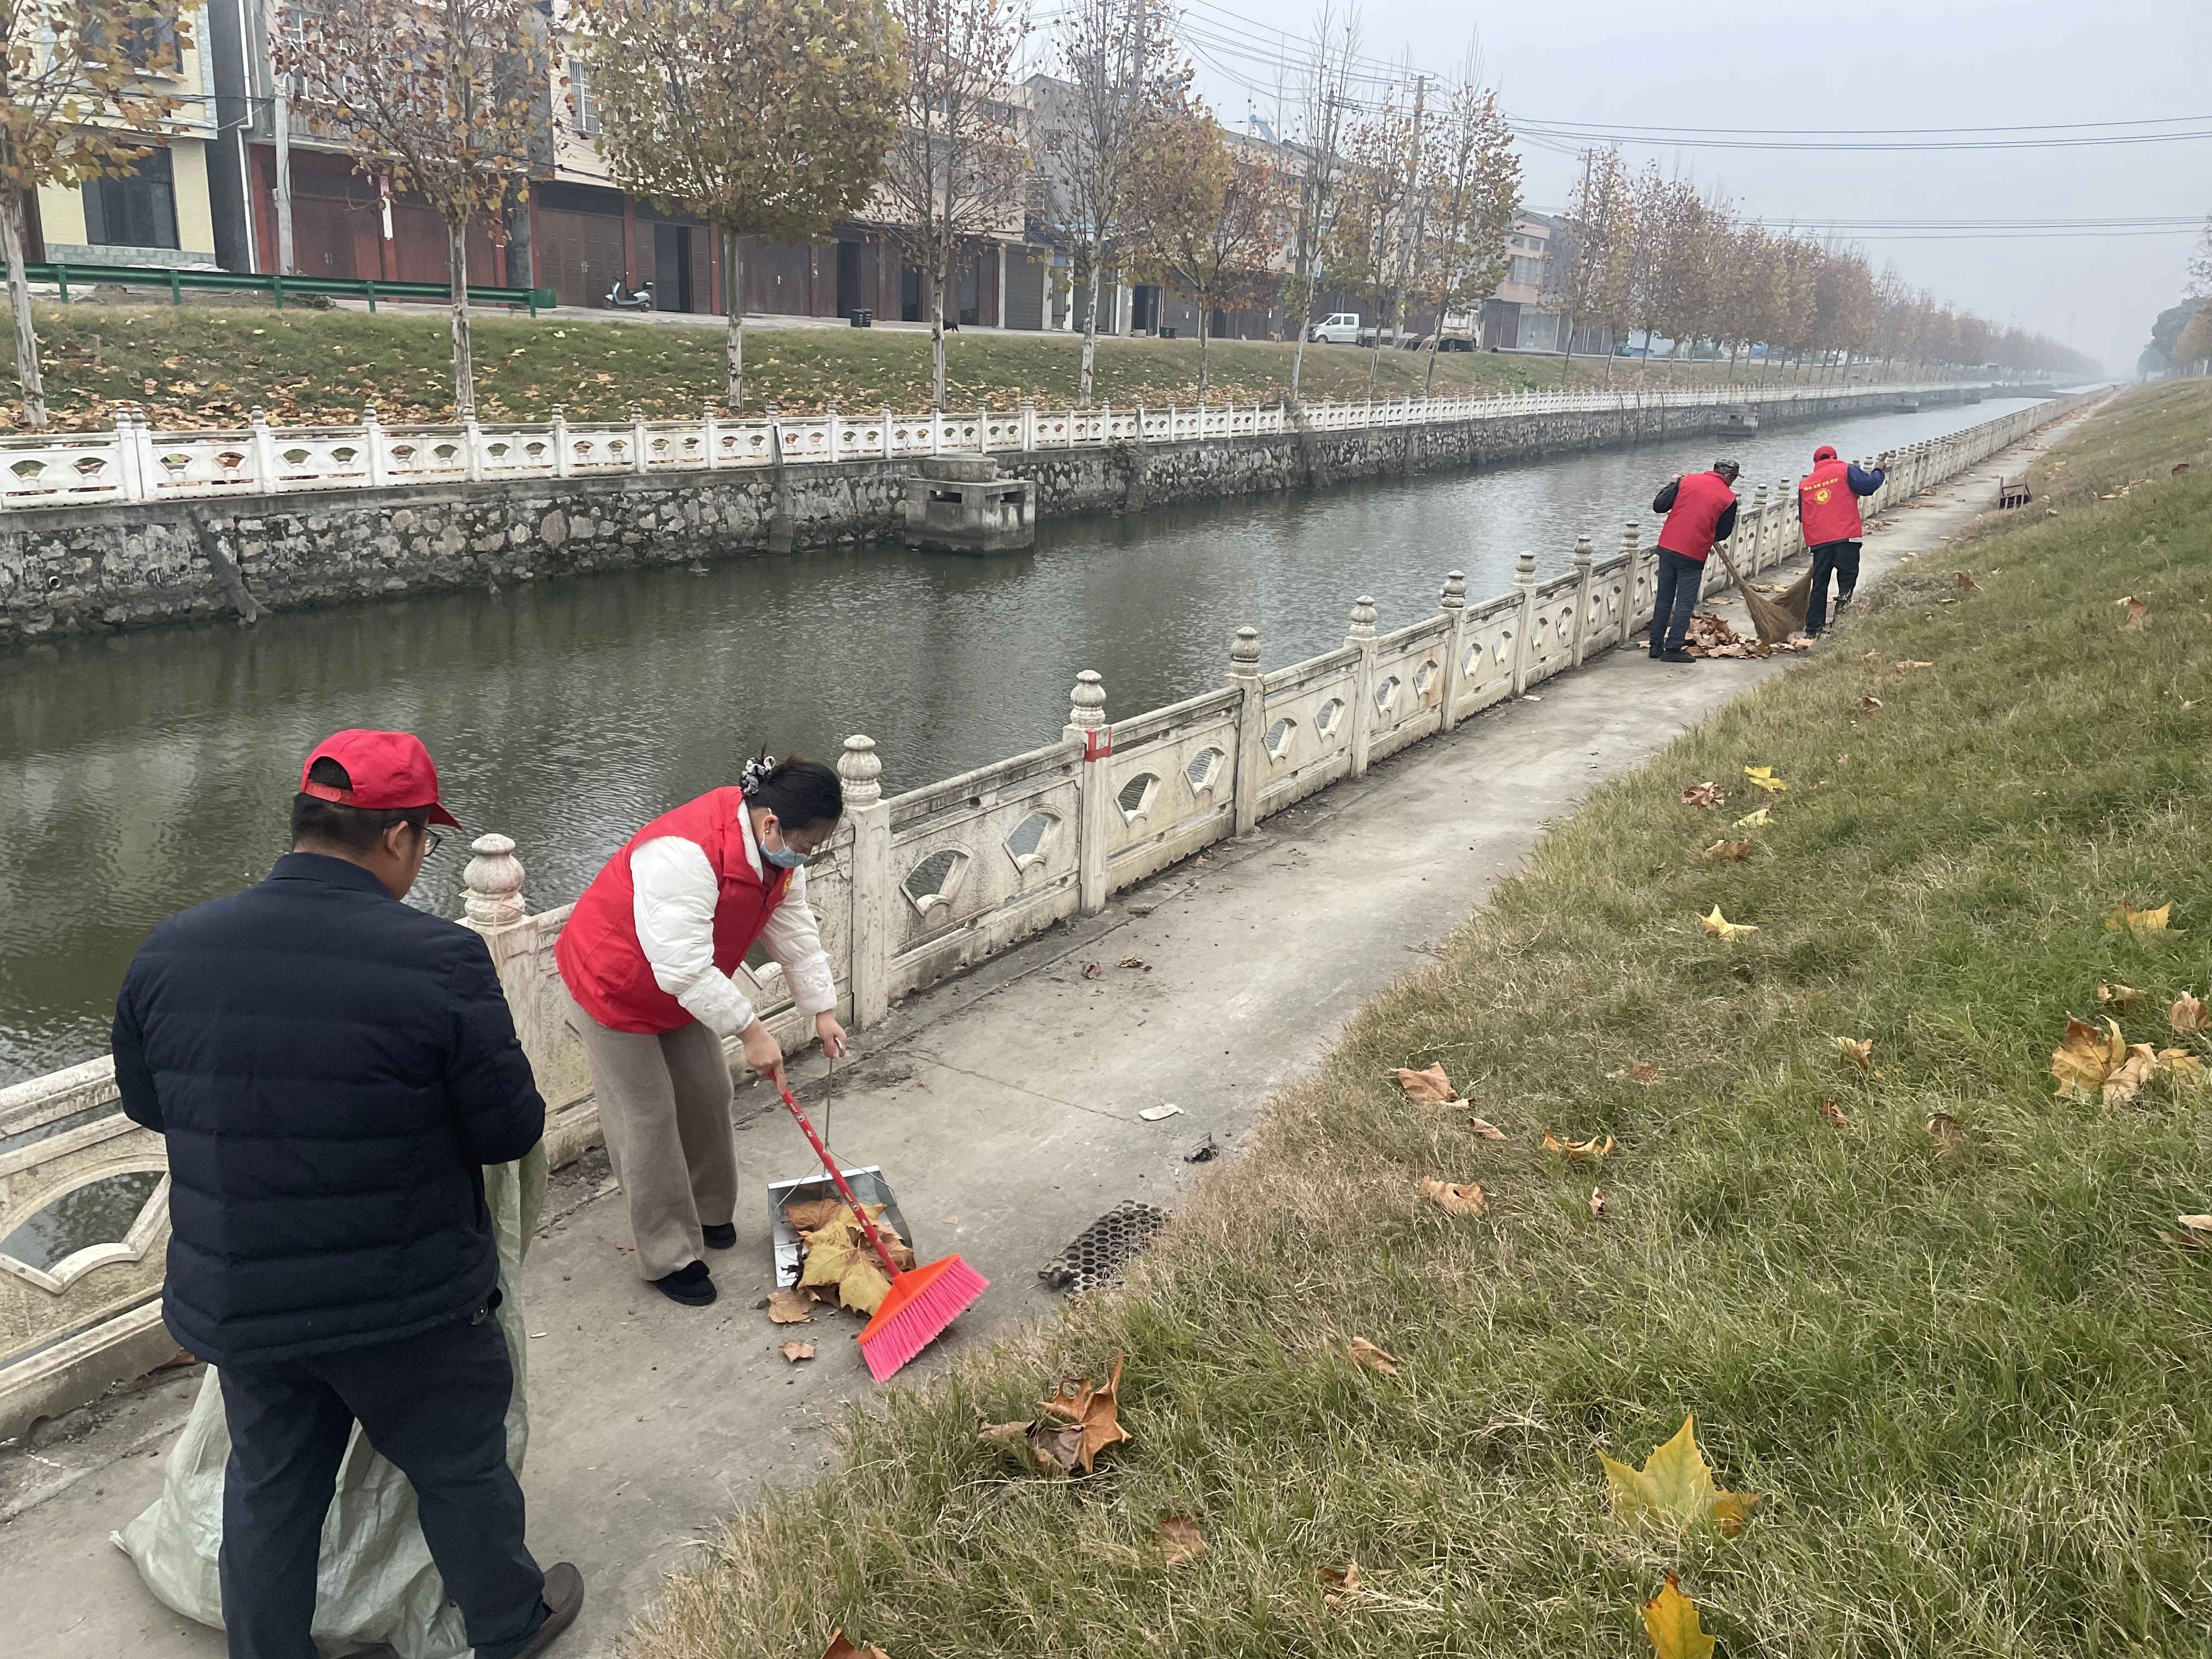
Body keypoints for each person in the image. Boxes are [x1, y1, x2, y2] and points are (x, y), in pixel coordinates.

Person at [111, 729, 583, 1659]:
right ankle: (507, 1623)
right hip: (408, 1301)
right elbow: (507, 1129)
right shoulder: (438, 958)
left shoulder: (171, 948)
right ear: (400, 837)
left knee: (271, 1484)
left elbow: (148, 1101)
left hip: (246, 1298)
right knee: (459, 1467)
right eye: (427, 844)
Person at [555, 753, 847, 1308]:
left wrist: (822, 1008)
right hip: (613, 985)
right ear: (770, 825)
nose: (804, 858)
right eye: (805, 846)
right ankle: (669, 1253)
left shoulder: (777, 857)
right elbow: (683, 966)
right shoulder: (683, 853)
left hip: (679, 988)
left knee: (710, 1091)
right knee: (649, 1117)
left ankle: (710, 1213)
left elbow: (793, 930)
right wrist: (750, 1029)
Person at [1646, 459, 1741, 662]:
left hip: (1668, 547)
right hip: (1693, 553)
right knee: (1684, 603)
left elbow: (1659, 506)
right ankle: (1672, 649)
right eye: (1733, 478)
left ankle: (1655, 646)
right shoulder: (1729, 499)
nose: (1733, 482)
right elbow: (1723, 533)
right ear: (1728, 477)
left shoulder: (1686, 481)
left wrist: (1672, 484)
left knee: (1664, 598)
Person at [1797, 443, 1888, 635]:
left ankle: (1813, 629)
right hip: (1846, 536)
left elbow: (1802, 515)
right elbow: (1868, 486)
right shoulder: (1846, 470)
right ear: (1834, 457)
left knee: (1820, 584)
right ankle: (1841, 622)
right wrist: (1879, 470)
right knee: (1846, 580)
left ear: (1816, 462)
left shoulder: (1806, 484)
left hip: (1820, 541)